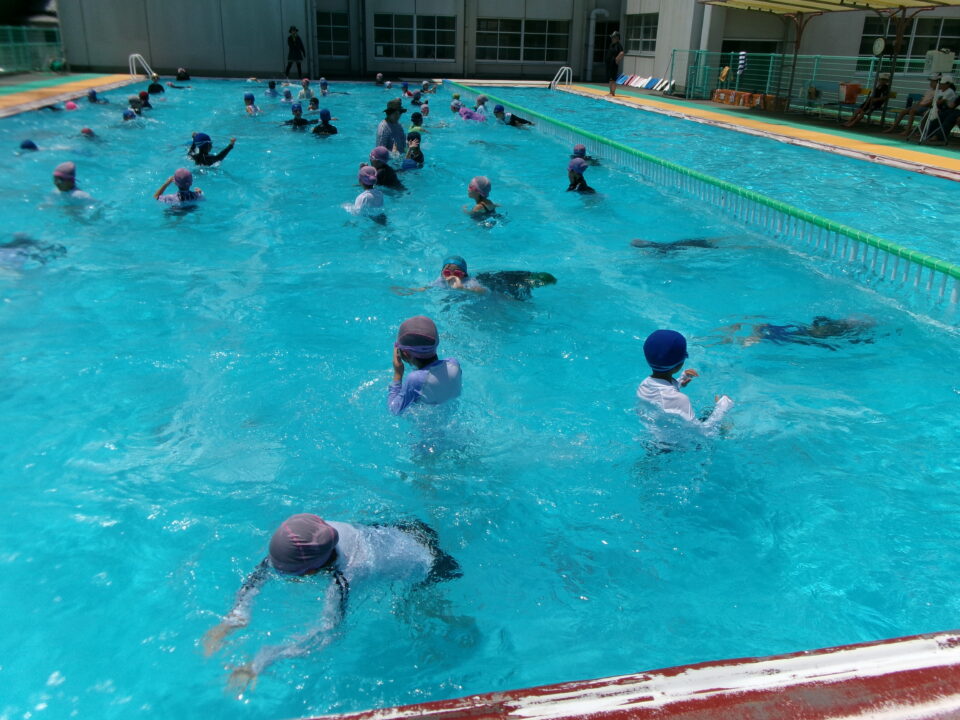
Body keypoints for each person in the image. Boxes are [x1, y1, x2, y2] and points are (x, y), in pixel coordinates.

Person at [202, 513, 460, 691]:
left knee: (419, 613)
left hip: (428, 564)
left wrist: (260, 661)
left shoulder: (346, 578)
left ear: (312, 570)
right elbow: (262, 571)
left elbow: (328, 634)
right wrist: (233, 620)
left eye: (291, 574)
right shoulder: (313, 532)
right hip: (400, 529)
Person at [636, 329, 733, 432]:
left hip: (657, 436)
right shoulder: (680, 400)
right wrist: (723, 406)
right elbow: (703, 432)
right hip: (678, 441)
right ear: (679, 365)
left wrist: (679, 381)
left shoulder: (644, 385)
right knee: (725, 426)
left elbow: (662, 398)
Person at [389, 315, 461, 415]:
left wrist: (398, 374)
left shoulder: (415, 379)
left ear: (405, 354)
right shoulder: (453, 363)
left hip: (429, 423)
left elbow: (394, 410)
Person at [719, 316, 874, 350]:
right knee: (757, 331)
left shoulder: (805, 333)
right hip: (795, 333)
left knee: (757, 331)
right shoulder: (807, 334)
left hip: (795, 333)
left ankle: (729, 339)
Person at [919, 74, 959, 144]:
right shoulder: (940, 91)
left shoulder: (950, 92)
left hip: (948, 110)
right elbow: (935, 101)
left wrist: (935, 104)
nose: (941, 85)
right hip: (941, 109)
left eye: (943, 84)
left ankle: (937, 135)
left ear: (948, 84)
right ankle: (926, 133)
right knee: (930, 116)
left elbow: (940, 102)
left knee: (945, 118)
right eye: (941, 84)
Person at [605, 31, 625, 97]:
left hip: (613, 64)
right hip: (610, 64)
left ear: (616, 38)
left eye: (613, 37)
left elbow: (622, 53)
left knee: (613, 79)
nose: (612, 39)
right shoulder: (612, 45)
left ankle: (613, 93)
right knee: (610, 79)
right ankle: (610, 92)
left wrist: (617, 59)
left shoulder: (618, 45)